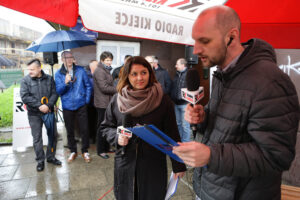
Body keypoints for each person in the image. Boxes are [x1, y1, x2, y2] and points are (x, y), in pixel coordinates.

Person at [172, 5, 300, 200]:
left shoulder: (270, 81)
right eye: (195, 41)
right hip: (212, 190)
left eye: (204, 41)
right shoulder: (224, 74)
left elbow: (276, 156)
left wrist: (211, 156)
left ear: (231, 36)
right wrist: (204, 117)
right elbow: (230, 127)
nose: (196, 50)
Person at [100, 56, 186, 200]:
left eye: (144, 72)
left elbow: (172, 133)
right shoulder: (118, 99)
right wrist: (117, 137)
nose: (139, 78)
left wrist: (178, 164)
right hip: (125, 164)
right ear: (127, 76)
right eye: (134, 74)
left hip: (153, 165)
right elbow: (105, 127)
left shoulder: (163, 100)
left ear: (150, 73)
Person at [20, 59, 61, 171]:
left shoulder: (49, 79)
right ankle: (40, 160)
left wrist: (48, 105)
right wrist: (40, 106)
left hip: (49, 112)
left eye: (32, 69)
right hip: (34, 114)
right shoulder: (25, 80)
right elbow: (25, 97)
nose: (30, 72)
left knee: (52, 136)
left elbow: (54, 93)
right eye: (29, 69)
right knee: (37, 138)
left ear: (39, 68)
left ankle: (51, 157)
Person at [55, 51, 92, 163]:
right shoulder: (58, 74)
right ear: (62, 60)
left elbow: (88, 86)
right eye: (66, 58)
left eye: (71, 57)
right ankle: (73, 151)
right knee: (70, 129)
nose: (69, 60)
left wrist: (86, 100)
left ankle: (85, 150)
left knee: (84, 129)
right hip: (67, 105)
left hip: (81, 104)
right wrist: (65, 82)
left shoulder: (80, 70)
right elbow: (58, 91)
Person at [93, 51, 117, 159]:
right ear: (102, 60)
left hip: (107, 102)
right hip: (102, 103)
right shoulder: (99, 71)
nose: (109, 62)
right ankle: (100, 150)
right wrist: (118, 89)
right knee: (101, 127)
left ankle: (107, 147)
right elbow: (104, 88)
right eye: (107, 60)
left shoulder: (106, 70)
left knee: (108, 125)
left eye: (110, 60)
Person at [170, 58, 191, 142]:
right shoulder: (177, 74)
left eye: (177, 64)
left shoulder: (189, 74)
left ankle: (185, 143)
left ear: (183, 65)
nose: (175, 66)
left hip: (185, 104)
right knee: (178, 124)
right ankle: (179, 141)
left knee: (185, 125)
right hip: (176, 103)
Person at [85, 60, 98, 144]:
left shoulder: (99, 74)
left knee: (97, 121)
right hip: (89, 102)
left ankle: (95, 137)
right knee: (89, 121)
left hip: (98, 102)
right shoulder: (86, 74)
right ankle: (90, 138)